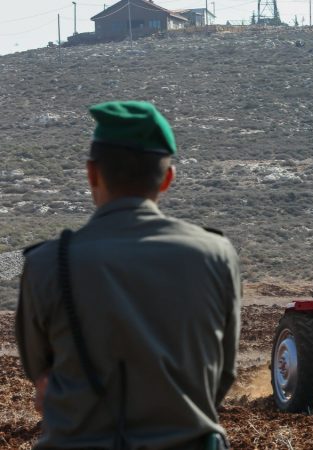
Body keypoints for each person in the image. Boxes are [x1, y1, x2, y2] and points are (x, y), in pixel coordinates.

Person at [16, 101, 241, 449]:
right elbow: (222, 374)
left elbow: (40, 374)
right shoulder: (216, 255)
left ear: (92, 173)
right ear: (168, 178)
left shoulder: (47, 263)